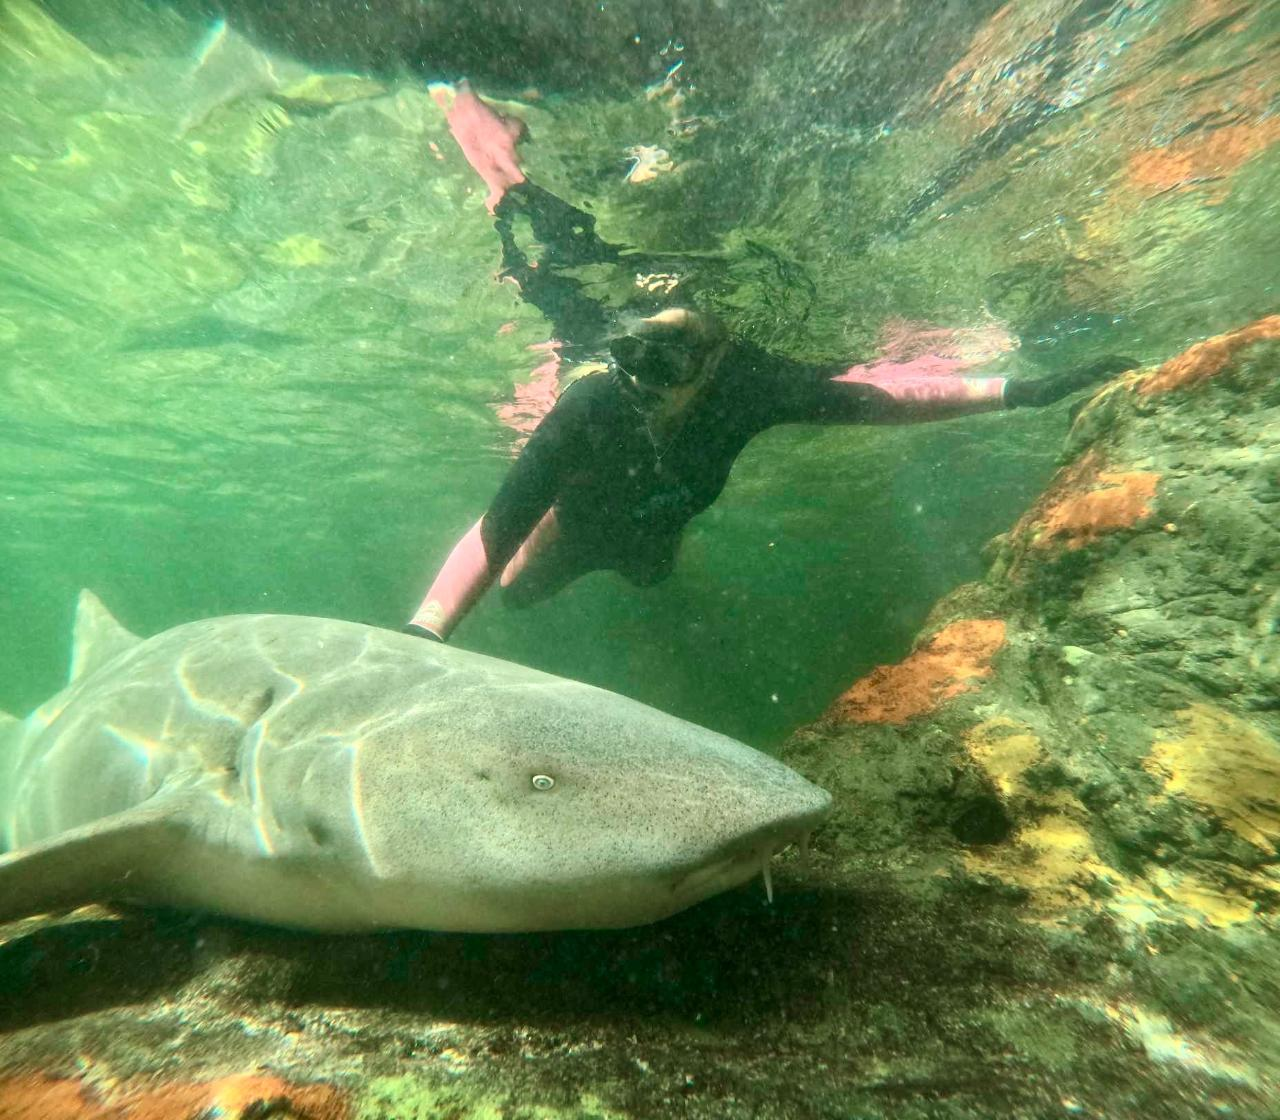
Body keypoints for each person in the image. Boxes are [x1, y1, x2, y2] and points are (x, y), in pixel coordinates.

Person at [404, 84, 1138, 642]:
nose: (645, 378)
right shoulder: (594, 402)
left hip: (660, 524)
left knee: (654, 577)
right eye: (636, 356)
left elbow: (889, 399)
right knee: (515, 587)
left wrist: (1027, 389)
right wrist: (429, 627)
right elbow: (496, 526)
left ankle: (658, 565)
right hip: (582, 524)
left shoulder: (748, 389)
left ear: (716, 355)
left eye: (673, 358)